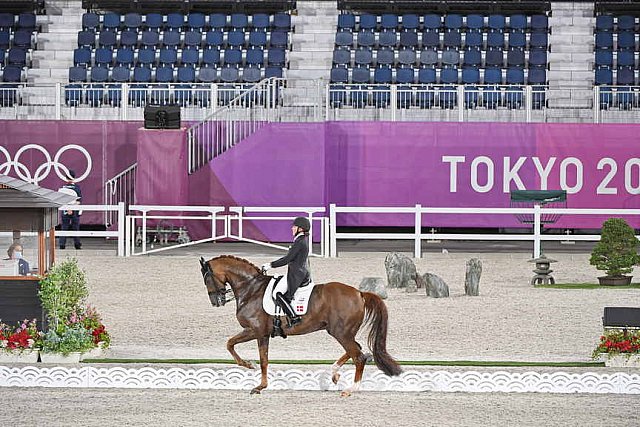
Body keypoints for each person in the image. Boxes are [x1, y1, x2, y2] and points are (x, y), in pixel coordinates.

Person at [262, 217, 312, 332]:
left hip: (297, 274)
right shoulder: (301, 240)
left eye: (294, 227)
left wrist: (270, 265)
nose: (292, 228)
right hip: (299, 272)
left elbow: (287, 259)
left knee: (278, 294)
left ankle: (294, 317)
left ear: (300, 229)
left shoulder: (300, 242)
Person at [58, 170, 82, 250]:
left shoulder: (62, 189)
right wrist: (71, 208)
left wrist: (68, 208)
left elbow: (61, 201)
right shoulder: (77, 188)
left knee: (64, 227)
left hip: (65, 210)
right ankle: (77, 244)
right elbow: (78, 201)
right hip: (75, 210)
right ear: (74, 178)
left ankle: (62, 244)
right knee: (75, 227)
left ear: (66, 178)